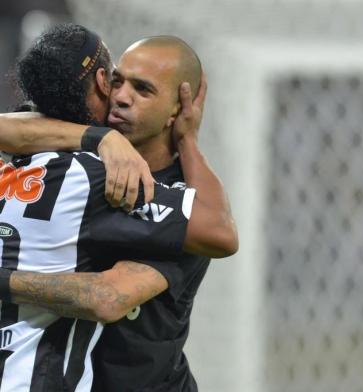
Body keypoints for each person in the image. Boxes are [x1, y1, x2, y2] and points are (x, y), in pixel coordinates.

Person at [0, 24, 238, 391]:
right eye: (117, 81)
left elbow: (108, 297)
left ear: (178, 108)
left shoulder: (185, 203)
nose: (121, 97)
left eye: (142, 89)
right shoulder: (83, 156)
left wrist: (188, 141)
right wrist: (101, 137)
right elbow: (15, 126)